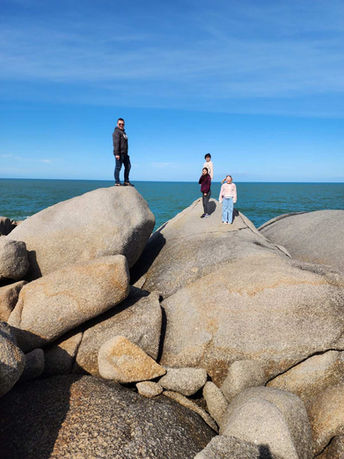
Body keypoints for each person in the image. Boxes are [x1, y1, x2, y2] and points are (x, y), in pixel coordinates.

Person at [112, 118, 133, 186]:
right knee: (118, 167)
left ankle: (126, 181)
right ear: (117, 124)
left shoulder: (123, 132)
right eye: (120, 124)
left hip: (125, 153)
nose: (121, 125)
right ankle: (117, 182)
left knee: (128, 166)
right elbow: (116, 143)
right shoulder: (116, 132)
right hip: (119, 153)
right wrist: (117, 154)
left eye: (122, 124)